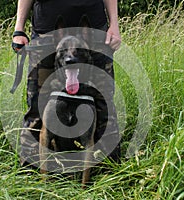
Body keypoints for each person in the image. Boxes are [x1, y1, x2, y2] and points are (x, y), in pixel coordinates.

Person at [12, 0, 122, 168]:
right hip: (46, 34)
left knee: (103, 104)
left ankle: (110, 171)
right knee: (37, 106)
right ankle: (29, 174)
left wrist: (114, 23)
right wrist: (19, 29)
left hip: (94, 33)